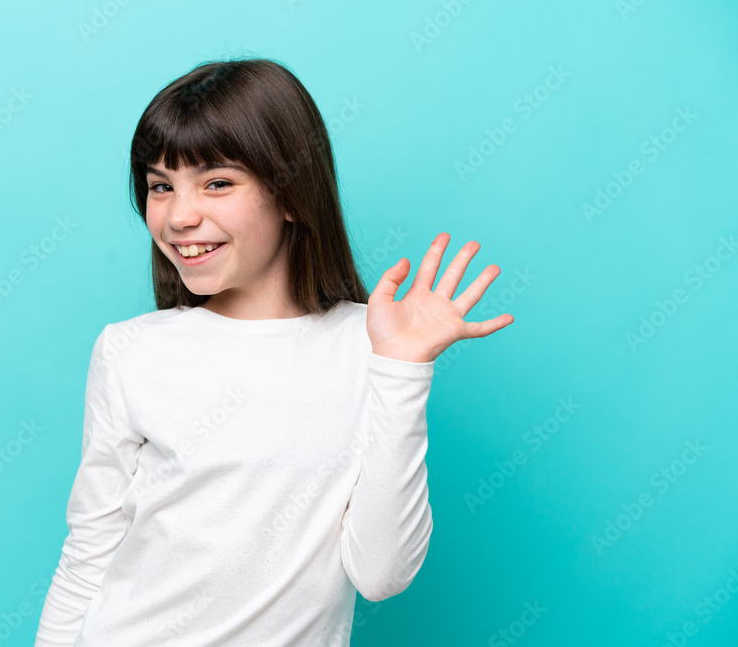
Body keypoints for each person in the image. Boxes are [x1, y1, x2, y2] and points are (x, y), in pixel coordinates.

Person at [34, 57, 513, 647]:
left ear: (291, 193)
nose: (180, 216)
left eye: (217, 183)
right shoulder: (130, 352)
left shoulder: (371, 347)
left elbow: (382, 575)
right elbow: (89, 553)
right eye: (161, 186)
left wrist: (402, 369)